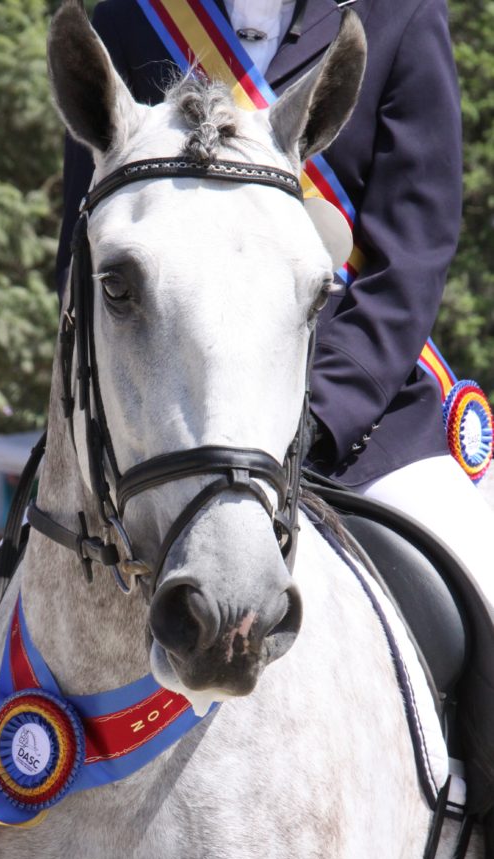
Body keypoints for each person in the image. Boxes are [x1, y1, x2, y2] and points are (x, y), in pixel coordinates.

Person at [56, 0, 494, 608]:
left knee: (484, 592)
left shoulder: (401, 15)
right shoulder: (132, 16)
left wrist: (316, 418)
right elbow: (86, 258)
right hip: (159, 430)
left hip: (360, 424)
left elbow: (411, 260)